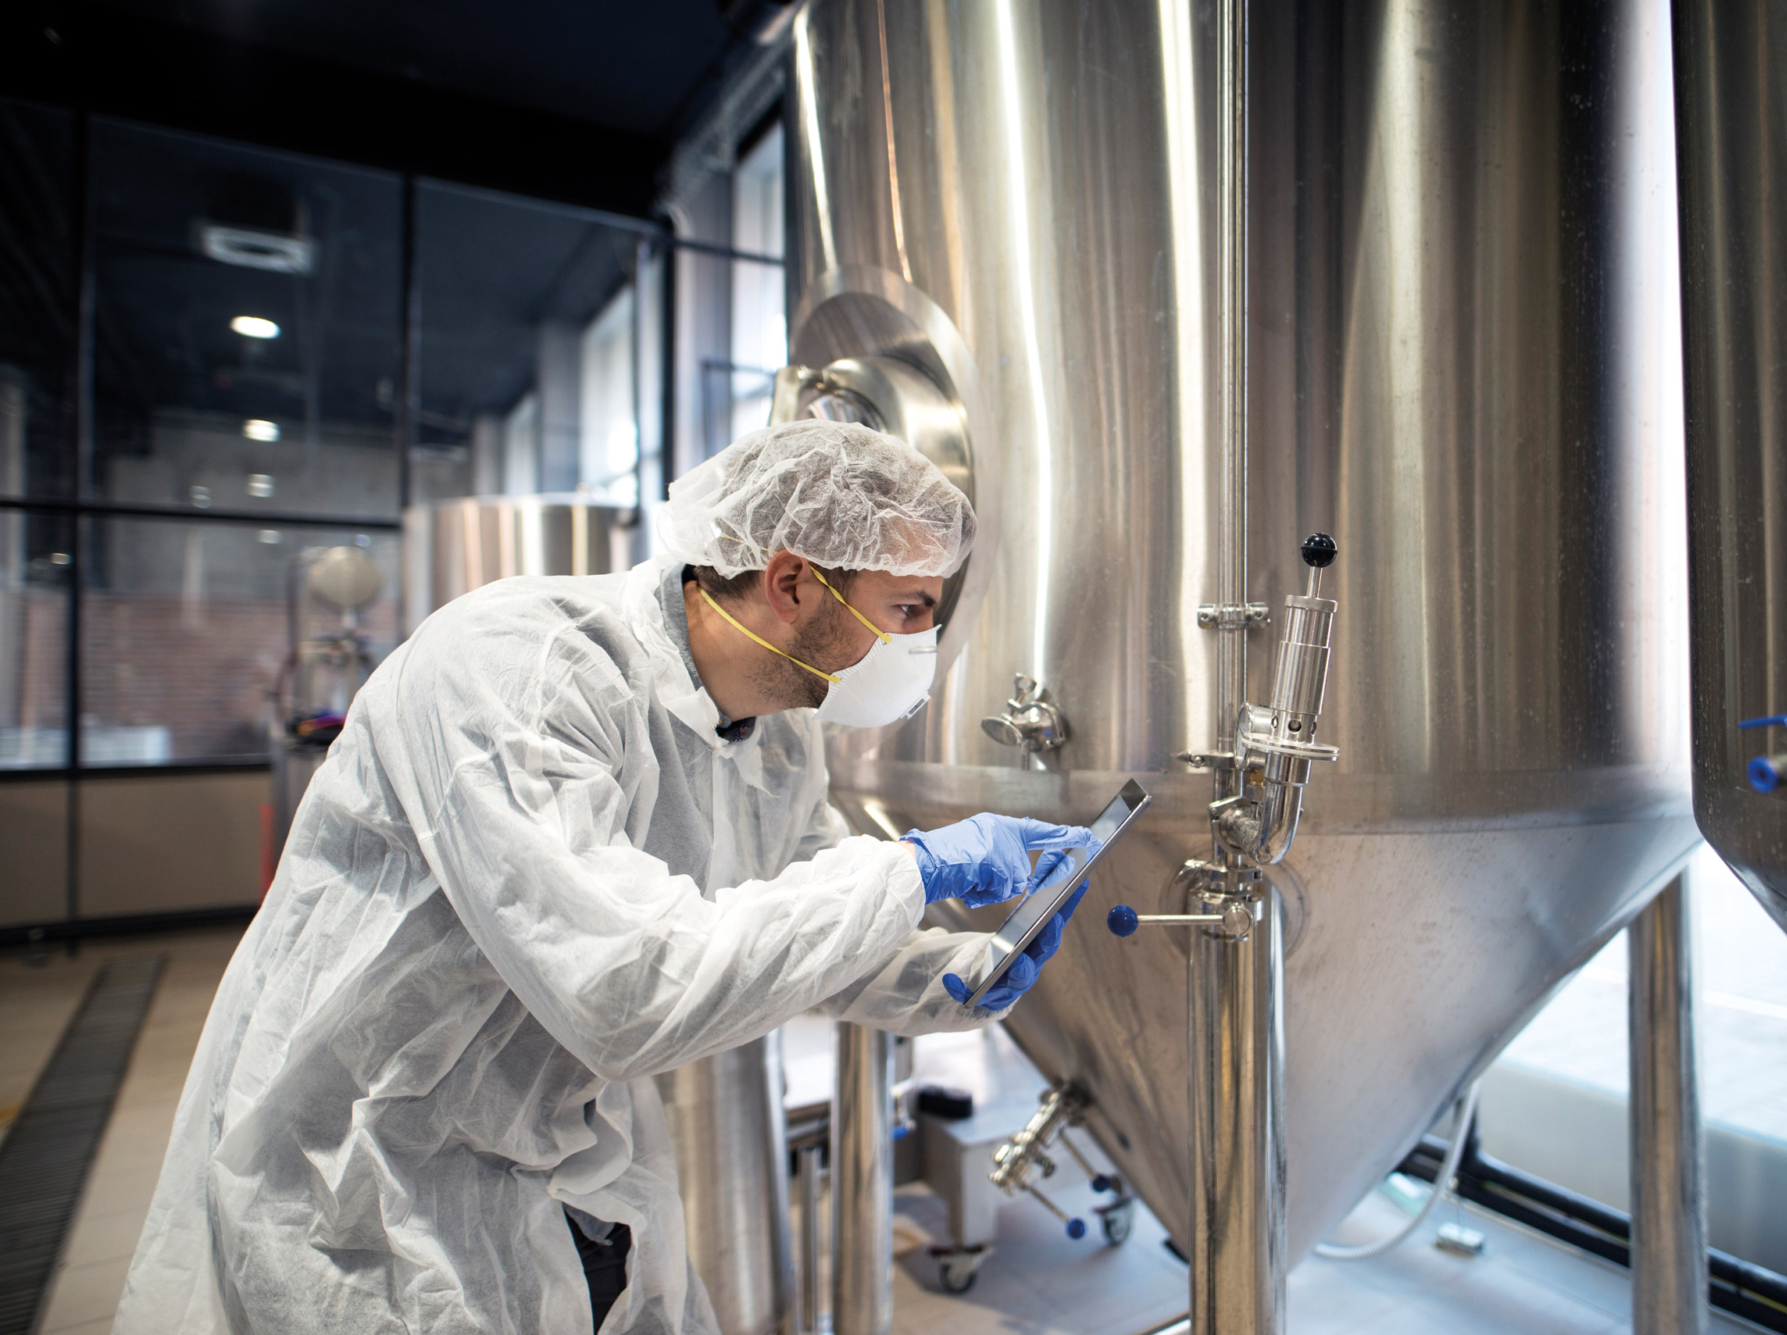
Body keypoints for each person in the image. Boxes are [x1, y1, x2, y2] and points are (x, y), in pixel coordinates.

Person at [113, 421, 1101, 1335]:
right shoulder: (524, 669)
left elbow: (795, 924)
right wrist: (914, 867)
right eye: (908, 609)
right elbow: (624, 990)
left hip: (554, 1153)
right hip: (369, 1162)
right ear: (793, 581)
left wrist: (946, 972)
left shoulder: (777, 742)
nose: (917, 646)